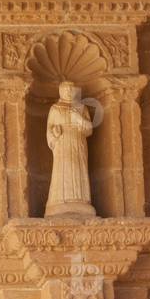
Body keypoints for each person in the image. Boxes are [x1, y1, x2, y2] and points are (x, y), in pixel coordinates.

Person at [45, 81, 96, 217]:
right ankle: (59, 201)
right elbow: (49, 131)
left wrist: (78, 119)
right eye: (65, 89)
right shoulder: (55, 108)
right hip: (62, 145)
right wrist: (54, 134)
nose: (68, 92)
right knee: (63, 170)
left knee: (79, 168)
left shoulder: (81, 108)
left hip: (78, 143)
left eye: (70, 89)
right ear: (61, 91)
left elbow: (89, 129)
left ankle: (82, 200)